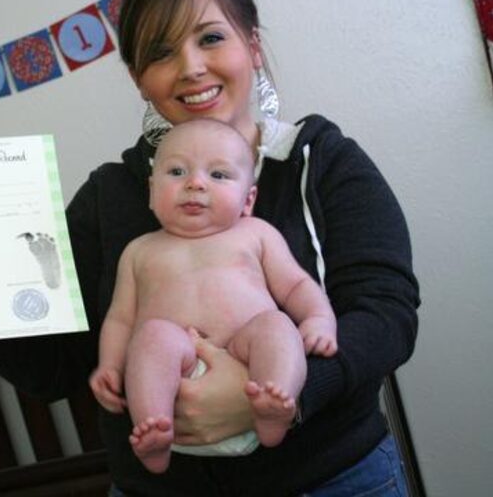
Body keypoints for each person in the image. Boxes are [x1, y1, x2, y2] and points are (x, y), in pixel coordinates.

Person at [0, 0, 419, 494]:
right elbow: (51, 369)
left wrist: (288, 395)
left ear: (252, 47)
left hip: (333, 477)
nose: (191, 68)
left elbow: (386, 313)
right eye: (160, 53)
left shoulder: (318, 159)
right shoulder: (111, 195)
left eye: (210, 38)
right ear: (139, 79)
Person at [89, 118, 337, 474]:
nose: (195, 183)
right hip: (176, 379)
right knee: (152, 337)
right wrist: (110, 365)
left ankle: (275, 405)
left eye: (218, 175)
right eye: (176, 171)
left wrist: (318, 319)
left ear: (248, 199)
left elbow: (296, 285)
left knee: (276, 326)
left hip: (248, 365)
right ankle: (154, 431)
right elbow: (121, 318)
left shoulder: (255, 234)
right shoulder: (139, 251)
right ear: (151, 190)